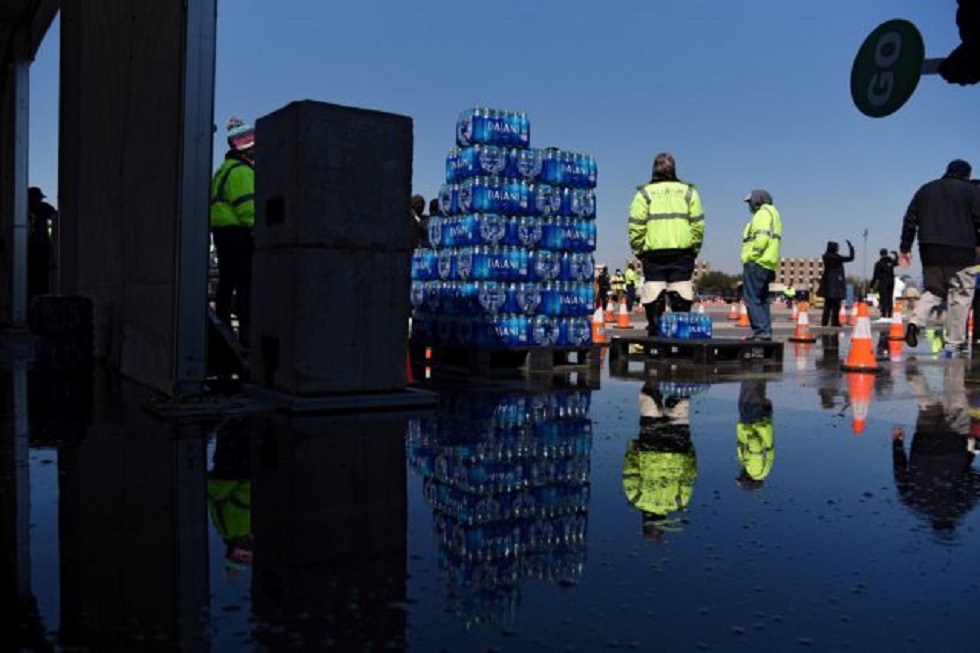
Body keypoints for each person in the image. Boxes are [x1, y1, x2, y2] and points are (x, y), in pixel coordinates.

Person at [898, 159, 980, 352]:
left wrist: (905, 248)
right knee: (960, 295)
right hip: (961, 251)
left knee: (934, 291)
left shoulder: (925, 189)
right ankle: (953, 343)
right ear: (967, 175)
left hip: (930, 249)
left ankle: (915, 322)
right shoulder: (971, 192)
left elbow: (910, 219)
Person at [893, 359, 980, 539]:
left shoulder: (961, 506)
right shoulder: (915, 503)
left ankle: (954, 361)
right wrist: (897, 443)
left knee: (956, 399)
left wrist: (970, 452)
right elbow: (900, 472)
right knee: (928, 410)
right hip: (923, 446)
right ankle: (914, 377)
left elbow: (974, 482)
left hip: (954, 446)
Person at [628, 152, 705, 336]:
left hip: (653, 253)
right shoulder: (689, 192)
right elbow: (698, 225)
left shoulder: (644, 193)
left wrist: (639, 249)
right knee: (681, 292)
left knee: (653, 292)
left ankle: (655, 332)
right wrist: (694, 248)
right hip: (682, 252)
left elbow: (635, 226)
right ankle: (679, 336)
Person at [621, 380, 699, 542]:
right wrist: (635, 446)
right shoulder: (635, 498)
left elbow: (690, 473)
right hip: (651, 441)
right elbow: (630, 469)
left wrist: (689, 449)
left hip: (678, 442)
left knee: (681, 396)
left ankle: (680, 364)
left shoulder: (679, 501)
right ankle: (654, 369)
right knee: (648, 396)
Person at [210, 116, 256, 349]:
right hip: (238, 235)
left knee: (226, 283)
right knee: (246, 284)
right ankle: (247, 335)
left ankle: (224, 330)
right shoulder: (242, 172)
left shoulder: (222, 171)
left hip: (221, 234)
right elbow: (248, 206)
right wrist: (258, 231)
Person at [739, 189, 782, 341]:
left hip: (757, 262)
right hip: (767, 263)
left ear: (757, 200)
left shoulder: (762, 214)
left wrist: (753, 255)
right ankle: (765, 332)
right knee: (762, 299)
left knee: (751, 298)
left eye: (750, 202)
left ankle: (761, 333)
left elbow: (761, 238)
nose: (749, 206)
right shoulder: (773, 214)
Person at [735, 379, 775, 490]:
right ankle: (751, 365)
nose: (740, 474)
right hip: (753, 422)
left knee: (758, 390)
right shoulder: (754, 471)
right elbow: (755, 446)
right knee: (748, 393)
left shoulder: (764, 471)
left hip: (761, 424)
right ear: (748, 481)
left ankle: (759, 368)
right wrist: (747, 429)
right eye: (741, 478)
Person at [27, 186, 57, 301]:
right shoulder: (43, 207)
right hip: (41, 246)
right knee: (42, 277)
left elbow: (55, 216)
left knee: (32, 277)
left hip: (31, 247)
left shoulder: (22, 208)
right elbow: (55, 216)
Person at [818, 240, 855, 327]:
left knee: (827, 304)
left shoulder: (825, 256)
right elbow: (851, 258)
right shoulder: (837, 257)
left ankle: (824, 322)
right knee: (836, 305)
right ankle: (835, 322)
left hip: (827, 283)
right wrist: (851, 247)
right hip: (836, 283)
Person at [869, 248, 899, 322]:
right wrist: (896, 255)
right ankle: (890, 315)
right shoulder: (891, 261)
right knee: (890, 298)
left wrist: (871, 285)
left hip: (883, 282)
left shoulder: (879, 263)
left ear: (880, 254)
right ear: (887, 253)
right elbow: (897, 263)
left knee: (883, 298)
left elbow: (875, 276)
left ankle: (883, 315)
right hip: (891, 282)